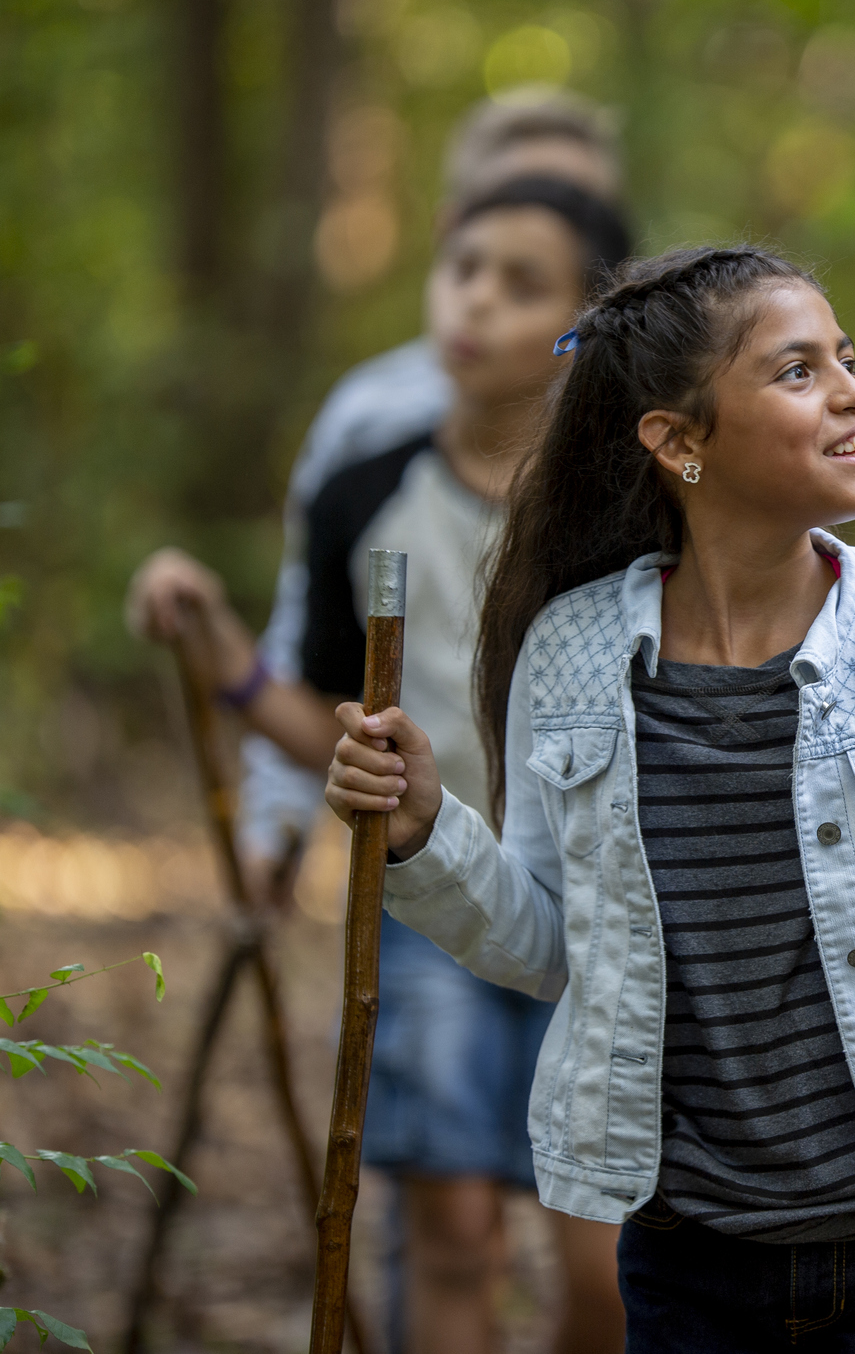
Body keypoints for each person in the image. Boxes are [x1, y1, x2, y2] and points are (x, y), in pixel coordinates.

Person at [318, 245, 855, 1353]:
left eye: (845, 360)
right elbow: (555, 945)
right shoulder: (574, 652)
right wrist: (425, 833)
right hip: (692, 1254)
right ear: (679, 440)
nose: (854, 393)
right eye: (798, 372)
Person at [128, 177, 636, 1354]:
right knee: (450, 1231)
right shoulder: (366, 491)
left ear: (587, 325)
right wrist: (219, 651)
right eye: (462, 268)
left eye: (522, 284)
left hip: (611, 911)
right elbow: (326, 721)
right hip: (423, 900)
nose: (474, 301)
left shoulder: (628, 513)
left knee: (603, 1266)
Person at [239, 87, 626, 862]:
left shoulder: (633, 475)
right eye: (472, 260)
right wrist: (273, 826)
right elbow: (308, 644)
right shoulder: (368, 428)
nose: (481, 298)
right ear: (450, 230)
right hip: (430, 868)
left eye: (568, 207)